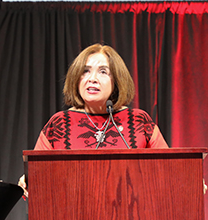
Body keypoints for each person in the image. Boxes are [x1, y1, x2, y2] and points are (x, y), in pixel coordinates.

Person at [19, 43, 169, 196]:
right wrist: (28, 182)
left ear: (117, 81)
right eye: (85, 71)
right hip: (71, 216)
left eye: (103, 72)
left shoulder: (139, 121)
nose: (92, 79)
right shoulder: (59, 124)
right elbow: (36, 181)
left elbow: (169, 172)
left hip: (134, 215)